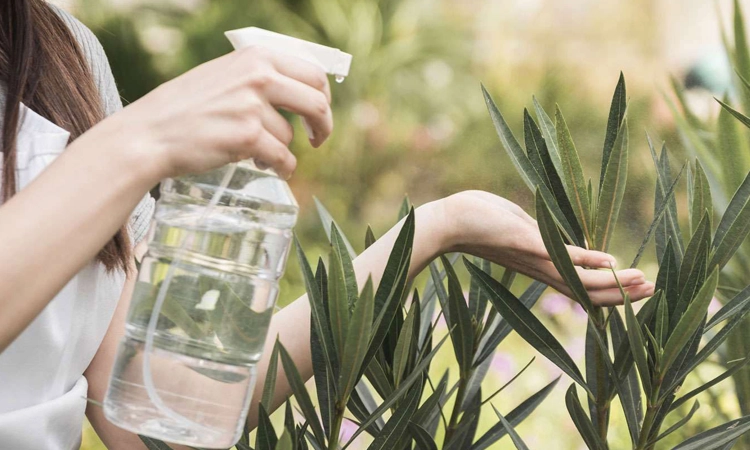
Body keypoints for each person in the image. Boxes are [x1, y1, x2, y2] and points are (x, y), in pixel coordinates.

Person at [0, 1, 655, 449]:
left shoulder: (60, 54)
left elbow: (160, 420)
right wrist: (136, 144)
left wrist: (435, 229)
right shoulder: (120, 134)